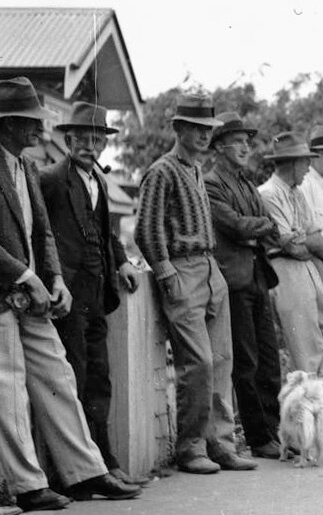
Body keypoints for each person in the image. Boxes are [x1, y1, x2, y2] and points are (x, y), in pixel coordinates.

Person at [0, 77, 141, 511]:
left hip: (36, 296)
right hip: (8, 293)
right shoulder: (32, 169)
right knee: (9, 388)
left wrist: (54, 278)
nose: (40, 132)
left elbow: (41, 232)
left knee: (58, 376)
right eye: (31, 122)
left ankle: (87, 469)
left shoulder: (24, 167)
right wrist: (26, 275)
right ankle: (28, 486)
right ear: (8, 124)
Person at [136, 92, 254, 474]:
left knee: (222, 360)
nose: (204, 136)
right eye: (196, 128)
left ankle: (220, 443)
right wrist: (166, 271)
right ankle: (190, 446)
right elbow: (146, 228)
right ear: (178, 129)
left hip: (209, 267)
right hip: (182, 269)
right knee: (197, 362)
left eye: (208, 129)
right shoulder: (162, 170)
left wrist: (211, 271)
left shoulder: (196, 171)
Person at [38, 101, 144, 486]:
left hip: (97, 295)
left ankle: (104, 460)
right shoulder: (50, 179)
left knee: (100, 378)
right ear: (68, 139)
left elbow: (106, 234)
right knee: (75, 379)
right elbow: (39, 231)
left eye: (96, 139)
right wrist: (52, 279)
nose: (90, 145)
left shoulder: (99, 182)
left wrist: (122, 262)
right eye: (82, 138)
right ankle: (81, 473)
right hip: (67, 296)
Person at [257, 133, 323, 446]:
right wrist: (301, 241)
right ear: (291, 163)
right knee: (307, 350)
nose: (308, 166)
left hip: (306, 268)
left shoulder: (295, 191)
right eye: (305, 160)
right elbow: (288, 243)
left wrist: (301, 241)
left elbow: (310, 237)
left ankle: (322, 409)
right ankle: (304, 430)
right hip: (284, 271)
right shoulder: (268, 193)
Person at [202, 111, 283, 459]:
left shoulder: (247, 185)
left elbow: (266, 224)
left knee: (269, 358)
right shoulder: (211, 182)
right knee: (246, 361)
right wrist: (261, 226)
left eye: (248, 142)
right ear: (219, 146)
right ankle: (258, 437)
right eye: (239, 142)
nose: (246, 148)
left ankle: (274, 433)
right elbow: (235, 226)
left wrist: (259, 226)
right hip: (234, 280)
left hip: (257, 276)